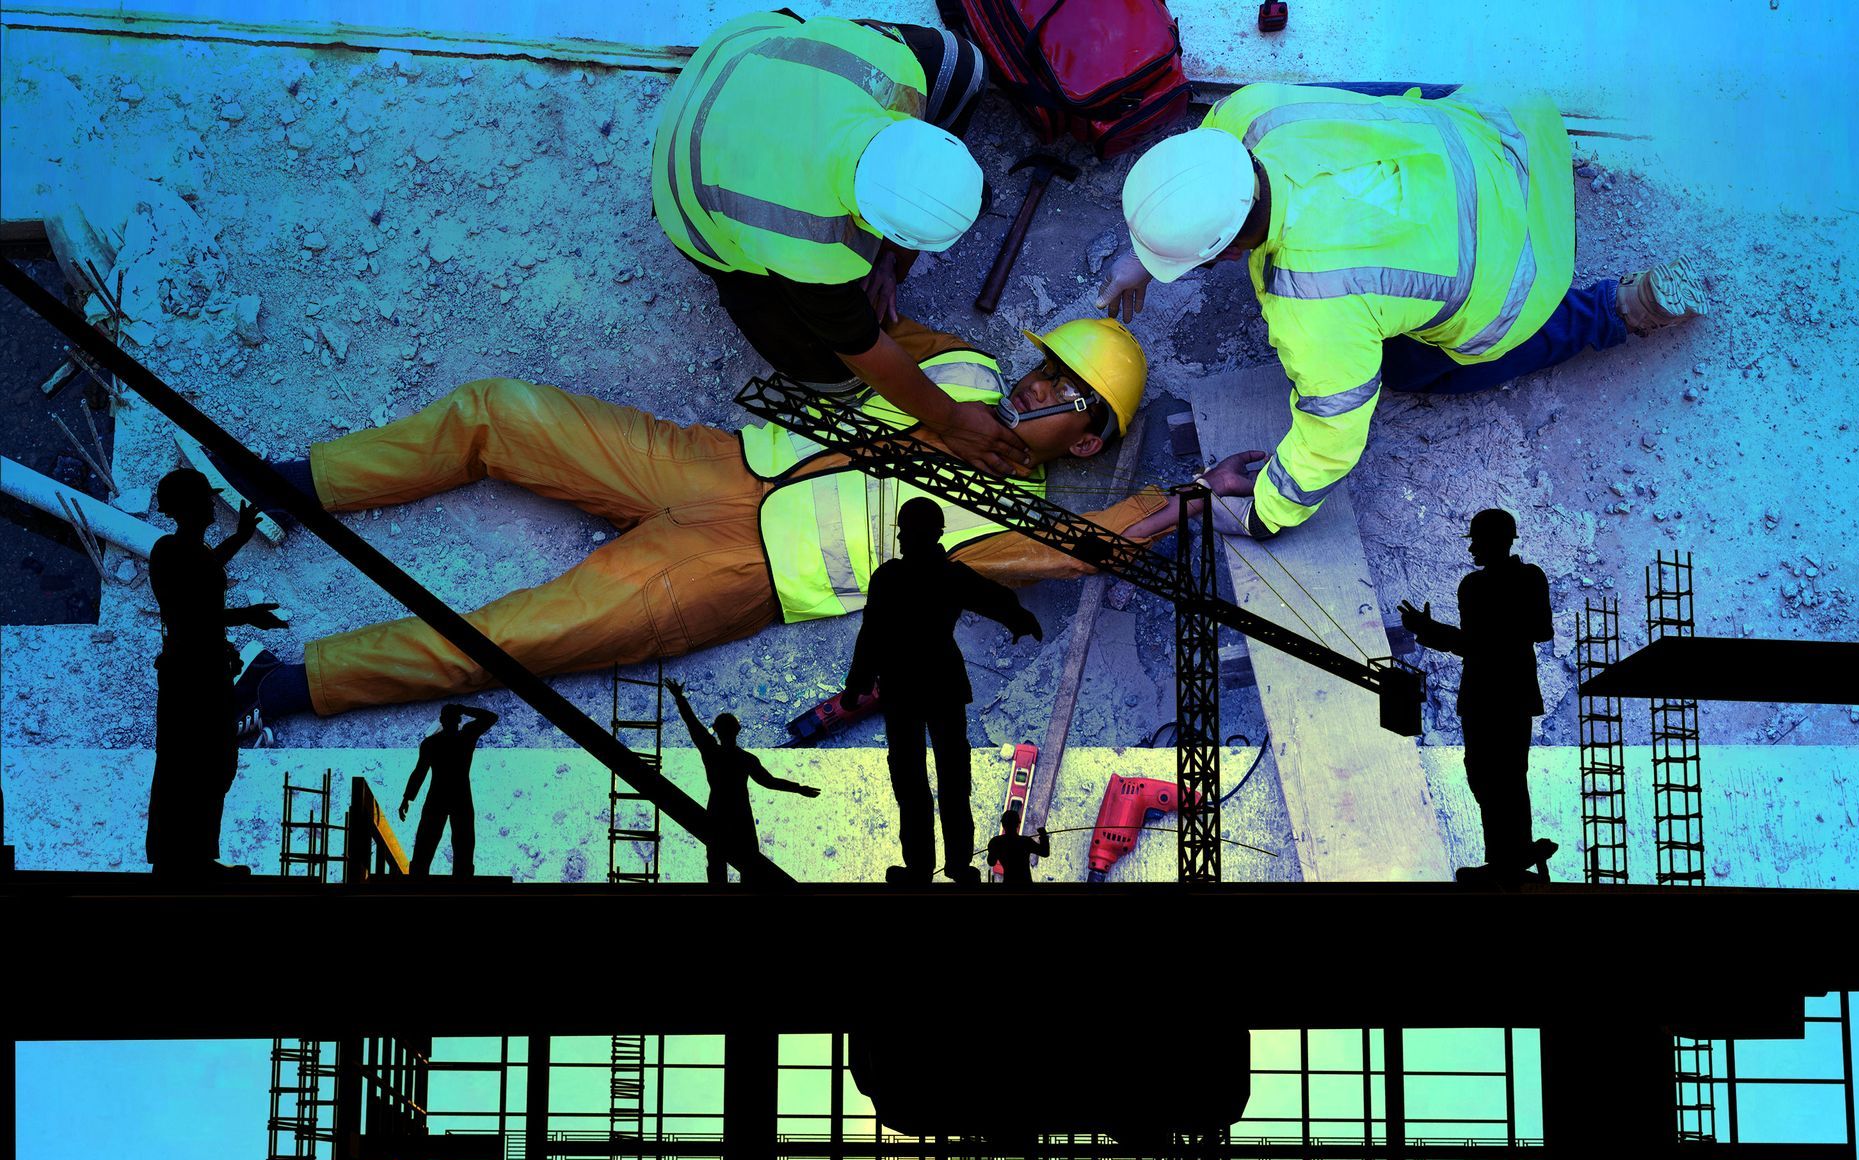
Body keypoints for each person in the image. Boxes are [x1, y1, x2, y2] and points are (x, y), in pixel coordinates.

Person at [220, 318, 1257, 735]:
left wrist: (1189, 494)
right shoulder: (968, 369)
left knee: (510, 639)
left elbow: (1092, 546)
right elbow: (866, 323)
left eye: (1066, 392)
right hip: (716, 461)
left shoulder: (1012, 522)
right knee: (500, 412)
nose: (1038, 384)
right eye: (1046, 363)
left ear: (1083, 445)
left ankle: (289, 684)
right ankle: (300, 487)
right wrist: (962, 403)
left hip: (730, 571)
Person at [1099, 82, 1709, 539]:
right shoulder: (1247, 112)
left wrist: (1266, 510)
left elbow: (1334, 429)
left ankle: (1617, 309)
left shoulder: (1314, 306)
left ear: (1227, 250)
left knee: (1413, 370)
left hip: (1521, 267)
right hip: (1507, 138)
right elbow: (1203, 180)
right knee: (1386, 103)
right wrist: (1149, 251)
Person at [654, 10, 1029, 478]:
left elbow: (956, 70)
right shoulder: (804, 241)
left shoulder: (897, 71)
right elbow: (861, 345)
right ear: (874, 225)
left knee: (964, 69)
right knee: (835, 378)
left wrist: (891, 261)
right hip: (688, 179)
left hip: (738, 50)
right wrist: (951, 421)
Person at [845, 498, 1042, 885]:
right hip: (945, 687)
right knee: (954, 781)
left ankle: (919, 868)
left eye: (904, 530)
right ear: (937, 533)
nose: (900, 537)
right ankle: (958, 867)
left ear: (915, 534)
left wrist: (858, 687)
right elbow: (995, 598)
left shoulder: (888, 579)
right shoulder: (952, 576)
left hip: (902, 691)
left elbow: (872, 637)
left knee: (910, 782)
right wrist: (1021, 620)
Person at [1398, 508, 1558, 882]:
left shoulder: (1489, 585)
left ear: (1495, 541)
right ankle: (1508, 853)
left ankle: (1509, 855)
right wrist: (1432, 630)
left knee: (1501, 773)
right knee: (1494, 773)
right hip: (1500, 694)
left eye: (1477, 540)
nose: (1472, 547)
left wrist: (1430, 630)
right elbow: (1485, 641)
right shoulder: (1488, 584)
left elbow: (1483, 642)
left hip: (1494, 693)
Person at [144, 468, 286, 879]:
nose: (211, 505)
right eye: (206, 499)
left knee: (206, 762)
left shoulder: (186, 551)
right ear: (188, 507)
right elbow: (187, 613)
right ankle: (181, 860)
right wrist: (249, 617)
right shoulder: (168, 551)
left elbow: (205, 569)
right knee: (193, 762)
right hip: (190, 676)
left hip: (201, 670)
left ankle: (191, 856)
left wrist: (241, 536)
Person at [665, 676, 820, 884]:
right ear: (737, 730)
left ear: (717, 731)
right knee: (750, 865)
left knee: (716, 863)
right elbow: (770, 782)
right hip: (741, 816)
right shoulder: (746, 759)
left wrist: (680, 698)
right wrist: (798, 788)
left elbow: (693, 725)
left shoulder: (711, 752)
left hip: (717, 812)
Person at [398, 703, 498, 878]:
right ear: (458, 720)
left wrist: (407, 797)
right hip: (461, 797)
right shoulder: (466, 736)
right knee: (463, 845)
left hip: (438, 796)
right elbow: (490, 718)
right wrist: (464, 708)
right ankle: (462, 885)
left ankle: (417, 884)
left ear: (442, 720)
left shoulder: (431, 743)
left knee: (426, 843)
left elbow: (420, 772)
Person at [987, 810, 1050, 887]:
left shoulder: (996, 842)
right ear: (1017, 824)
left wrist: (992, 849)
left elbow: (991, 862)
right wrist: (1044, 836)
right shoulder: (1025, 841)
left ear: (1003, 824)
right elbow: (1045, 852)